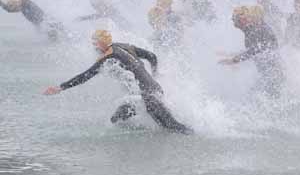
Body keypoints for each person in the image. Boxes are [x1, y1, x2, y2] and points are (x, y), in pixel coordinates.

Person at [43, 30, 191, 133]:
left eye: (95, 43)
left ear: (102, 43)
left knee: (173, 127)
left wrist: (60, 88)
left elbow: (86, 75)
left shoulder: (108, 57)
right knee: (117, 119)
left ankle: (196, 136)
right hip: (151, 91)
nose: (93, 46)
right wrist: (155, 73)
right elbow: (152, 56)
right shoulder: (123, 46)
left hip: (149, 97)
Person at [219, 6, 284, 98]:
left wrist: (235, 60)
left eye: (235, 19)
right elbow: (255, 50)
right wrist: (233, 55)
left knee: (259, 97)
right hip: (268, 74)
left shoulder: (258, 29)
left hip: (272, 75)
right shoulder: (254, 29)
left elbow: (256, 49)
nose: (234, 22)